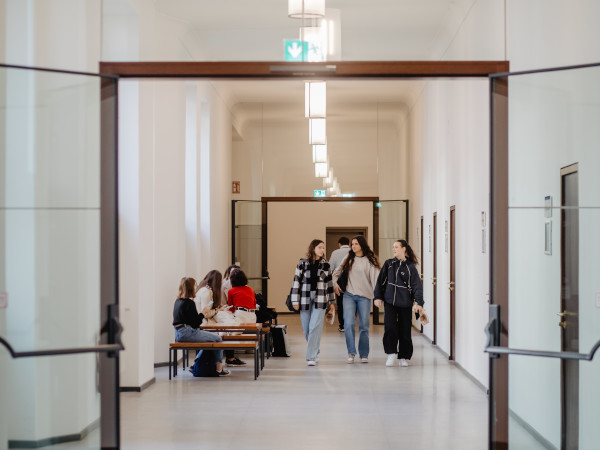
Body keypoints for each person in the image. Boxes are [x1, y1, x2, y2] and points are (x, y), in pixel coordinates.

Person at [374, 240, 424, 367]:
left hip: (405, 303)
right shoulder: (389, 264)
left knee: (405, 330)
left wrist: (418, 302)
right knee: (390, 327)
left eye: (396, 247)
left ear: (404, 249)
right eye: (393, 247)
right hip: (390, 301)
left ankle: (403, 356)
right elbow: (380, 281)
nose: (393, 249)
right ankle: (391, 353)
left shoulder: (410, 267)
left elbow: (417, 286)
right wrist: (377, 297)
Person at [333, 235, 380, 364]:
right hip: (349, 295)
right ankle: (351, 353)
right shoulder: (348, 258)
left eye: (356, 244)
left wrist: (378, 296)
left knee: (364, 326)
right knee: (348, 324)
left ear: (362, 245)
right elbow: (336, 272)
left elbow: (376, 279)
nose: (353, 246)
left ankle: (364, 354)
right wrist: (335, 284)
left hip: (365, 297)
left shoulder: (370, 260)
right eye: (352, 244)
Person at [172, 277, 230, 376]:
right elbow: (195, 323)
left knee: (208, 341)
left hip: (178, 333)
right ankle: (219, 368)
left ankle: (196, 364)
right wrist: (203, 313)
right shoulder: (190, 302)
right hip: (188, 332)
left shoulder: (178, 301)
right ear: (191, 288)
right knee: (218, 339)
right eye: (195, 286)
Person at [290, 239, 336, 366]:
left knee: (314, 327)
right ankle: (315, 349)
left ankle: (311, 356)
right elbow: (296, 282)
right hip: (304, 298)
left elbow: (330, 285)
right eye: (320, 247)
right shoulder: (302, 263)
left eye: (323, 247)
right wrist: (295, 300)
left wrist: (332, 302)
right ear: (313, 248)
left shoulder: (326, 265)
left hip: (320, 298)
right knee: (306, 329)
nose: (322, 250)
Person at [196, 270, 246, 367]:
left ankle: (218, 362)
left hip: (205, 321)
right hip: (204, 323)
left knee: (224, 330)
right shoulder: (207, 292)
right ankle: (217, 365)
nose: (222, 282)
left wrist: (218, 308)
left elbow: (209, 306)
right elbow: (205, 313)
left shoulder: (206, 290)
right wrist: (216, 311)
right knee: (221, 337)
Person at [328, 236, 350, 332]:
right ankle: (350, 324)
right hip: (351, 280)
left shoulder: (335, 253)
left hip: (339, 280)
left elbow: (330, 267)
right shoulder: (352, 252)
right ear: (349, 243)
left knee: (340, 303)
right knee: (351, 302)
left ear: (339, 244)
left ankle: (342, 326)